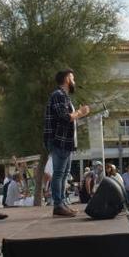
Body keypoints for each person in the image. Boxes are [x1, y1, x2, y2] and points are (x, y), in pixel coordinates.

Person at [43, 69, 89, 217]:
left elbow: (67, 119)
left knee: (64, 174)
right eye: (73, 78)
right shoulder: (58, 95)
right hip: (59, 140)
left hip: (66, 142)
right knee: (59, 174)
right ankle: (58, 205)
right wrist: (80, 113)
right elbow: (63, 117)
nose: (74, 81)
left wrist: (78, 114)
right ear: (67, 79)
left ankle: (62, 204)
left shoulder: (64, 97)